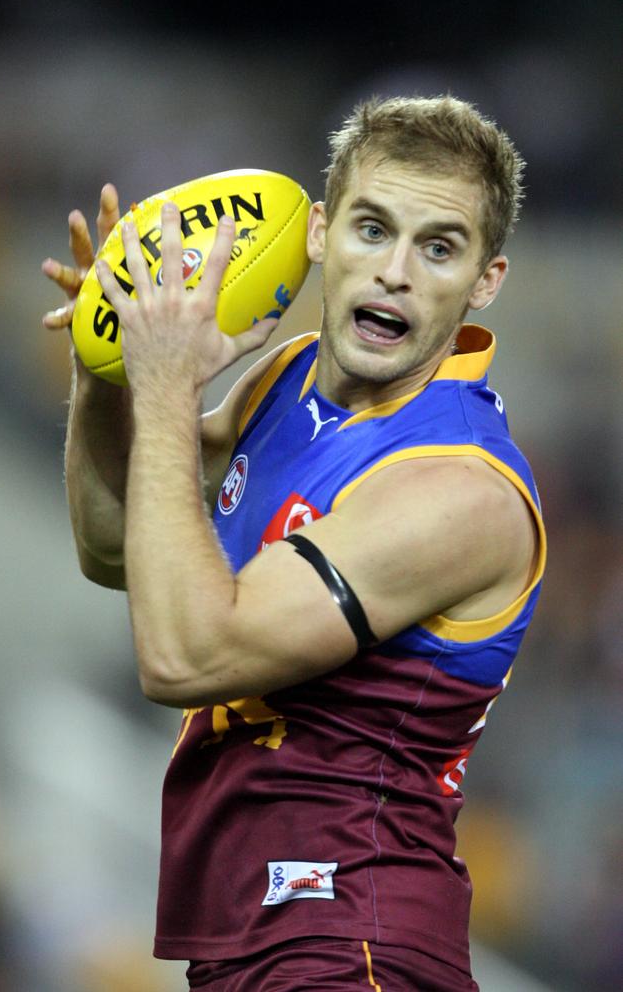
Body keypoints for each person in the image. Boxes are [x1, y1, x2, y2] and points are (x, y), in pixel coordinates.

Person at [42, 96, 546, 991]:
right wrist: (108, 366)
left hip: (351, 935)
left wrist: (162, 383)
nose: (393, 271)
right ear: (318, 233)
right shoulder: (286, 380)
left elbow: (187, 655)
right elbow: (117, 546)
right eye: (371, 227)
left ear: (485, 280)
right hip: (255, 934)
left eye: (438, 247)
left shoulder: (460, 491)